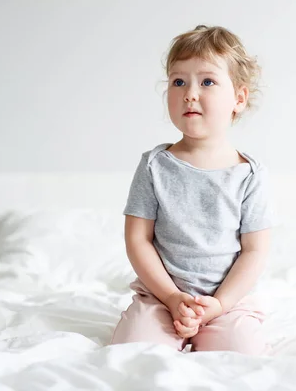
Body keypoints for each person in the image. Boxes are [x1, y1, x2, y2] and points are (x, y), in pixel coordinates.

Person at [111, 24, 273, 355]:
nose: (190, 93)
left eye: (207, 81)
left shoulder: (249, 175)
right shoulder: (155, 166)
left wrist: (219, 304)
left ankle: (219, 326)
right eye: (178, 81)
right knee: (132, 350)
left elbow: (255, 251)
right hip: (161, 294)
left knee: (242, 354)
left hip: (226, 300)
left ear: (238, 99)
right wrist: (171, 297)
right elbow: (137, 239)